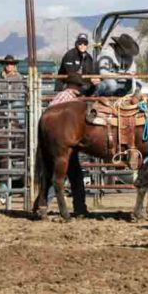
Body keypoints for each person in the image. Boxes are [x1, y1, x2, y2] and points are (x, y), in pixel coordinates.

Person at [45, 71, 88, 216]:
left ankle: (42, 205)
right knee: (64, 174)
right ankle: (79, 207)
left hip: (63, 140)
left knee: (61, 173)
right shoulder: (70, 99)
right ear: (76, 86)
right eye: (79, 85)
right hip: (64, 141)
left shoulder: (62, 96)